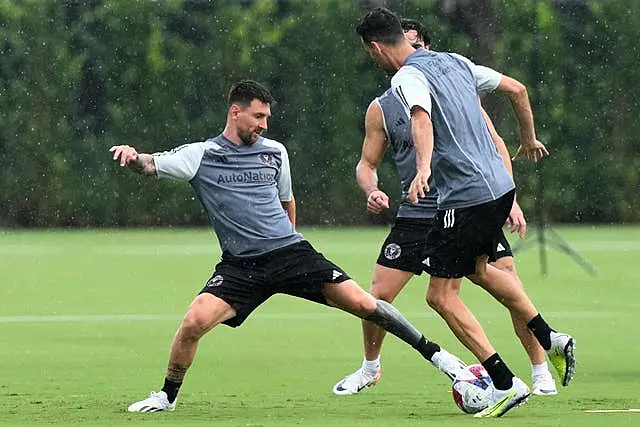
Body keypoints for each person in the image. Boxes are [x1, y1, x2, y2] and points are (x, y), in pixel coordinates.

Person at [111, 80, 469, 413]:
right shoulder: (201, 155)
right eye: (259, 116)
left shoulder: (275, 153)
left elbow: (287, 201)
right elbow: (150, 164)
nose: (264, 124)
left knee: (365, 303)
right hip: (241, 267)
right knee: (193, 322)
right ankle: (166, 396)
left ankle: (444, 361)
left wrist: (288, 245)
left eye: (267, 117)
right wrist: (132, 157)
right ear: (235, 112)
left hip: (291, 254)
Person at [356, 8, 576, 418]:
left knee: (440, 296)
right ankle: (551, 337)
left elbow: (421, 119)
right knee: (481, 270)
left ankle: (505, 383)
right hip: (499, 188)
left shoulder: (406, 77)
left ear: (375, 47)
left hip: (464, 196)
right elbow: (518, 89)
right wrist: (527, 139)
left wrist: (423, 169)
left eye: (371, 55)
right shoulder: (455, 61)